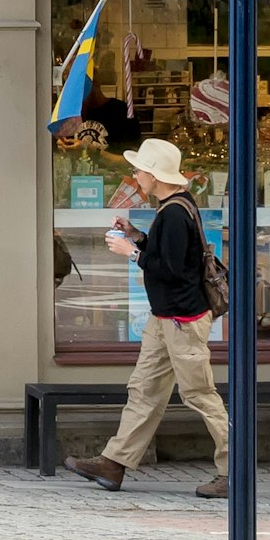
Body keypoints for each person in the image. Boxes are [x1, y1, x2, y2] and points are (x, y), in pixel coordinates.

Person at [71, 137, 229, 497]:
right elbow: (173, 256)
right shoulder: (175, 206)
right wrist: (137, 237)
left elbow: (171, 269)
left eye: (139, 170)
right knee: (143, 391)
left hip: (181, 321)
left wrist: (131, 252)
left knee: (200, 394)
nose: (135, 175)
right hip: (167, 319)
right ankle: (114, 463)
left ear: (154, 175)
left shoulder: (173, 212)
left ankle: (232, 470)